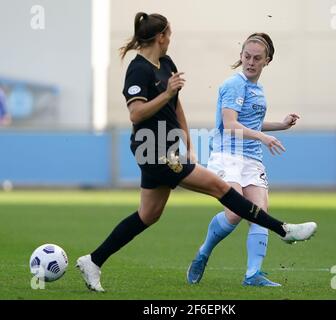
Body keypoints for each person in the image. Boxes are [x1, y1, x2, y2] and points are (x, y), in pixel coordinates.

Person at [76, 13, 317, 292]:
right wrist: (166, 94)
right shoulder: (138, 69)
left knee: (149, 214)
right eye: (170, 35)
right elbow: (135, 113)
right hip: (151, 149)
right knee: (221, 187)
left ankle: (93, 260)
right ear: (160, 37)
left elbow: (176, 107)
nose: (171, 41)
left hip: (168, 149)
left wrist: (189, 145)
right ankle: (284, 230)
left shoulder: (166, 64)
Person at [187, 33, 304, 287]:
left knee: (260, 213)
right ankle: (203, 253)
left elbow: (250, 123)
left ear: (267, 61)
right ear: (240, 56)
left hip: (252, 159)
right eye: (247, 56)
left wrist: (281, 126)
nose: (250, 62)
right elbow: (230, 125)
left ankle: (253, 275)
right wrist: (262, 137)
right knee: (234, 214)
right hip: (226, 156)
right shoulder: (234, 84)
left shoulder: (257, 89)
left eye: (257, 58)